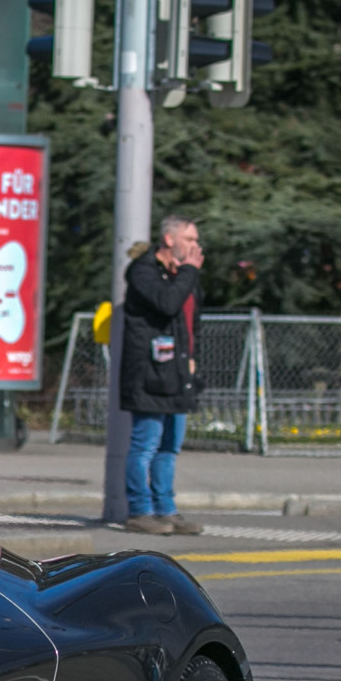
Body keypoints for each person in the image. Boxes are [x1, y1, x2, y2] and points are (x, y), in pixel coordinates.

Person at [118, 215, 204, 535]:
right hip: (149, 374)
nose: (196, 247)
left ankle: (167, 509)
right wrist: (189, 272)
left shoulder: (181, 275)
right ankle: (140, 510)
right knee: (146, 445)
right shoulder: (144, 271)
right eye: (190, 240)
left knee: (170, 446)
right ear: (170, 239)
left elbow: (191, 321)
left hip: (176, 373)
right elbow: (167, 304)